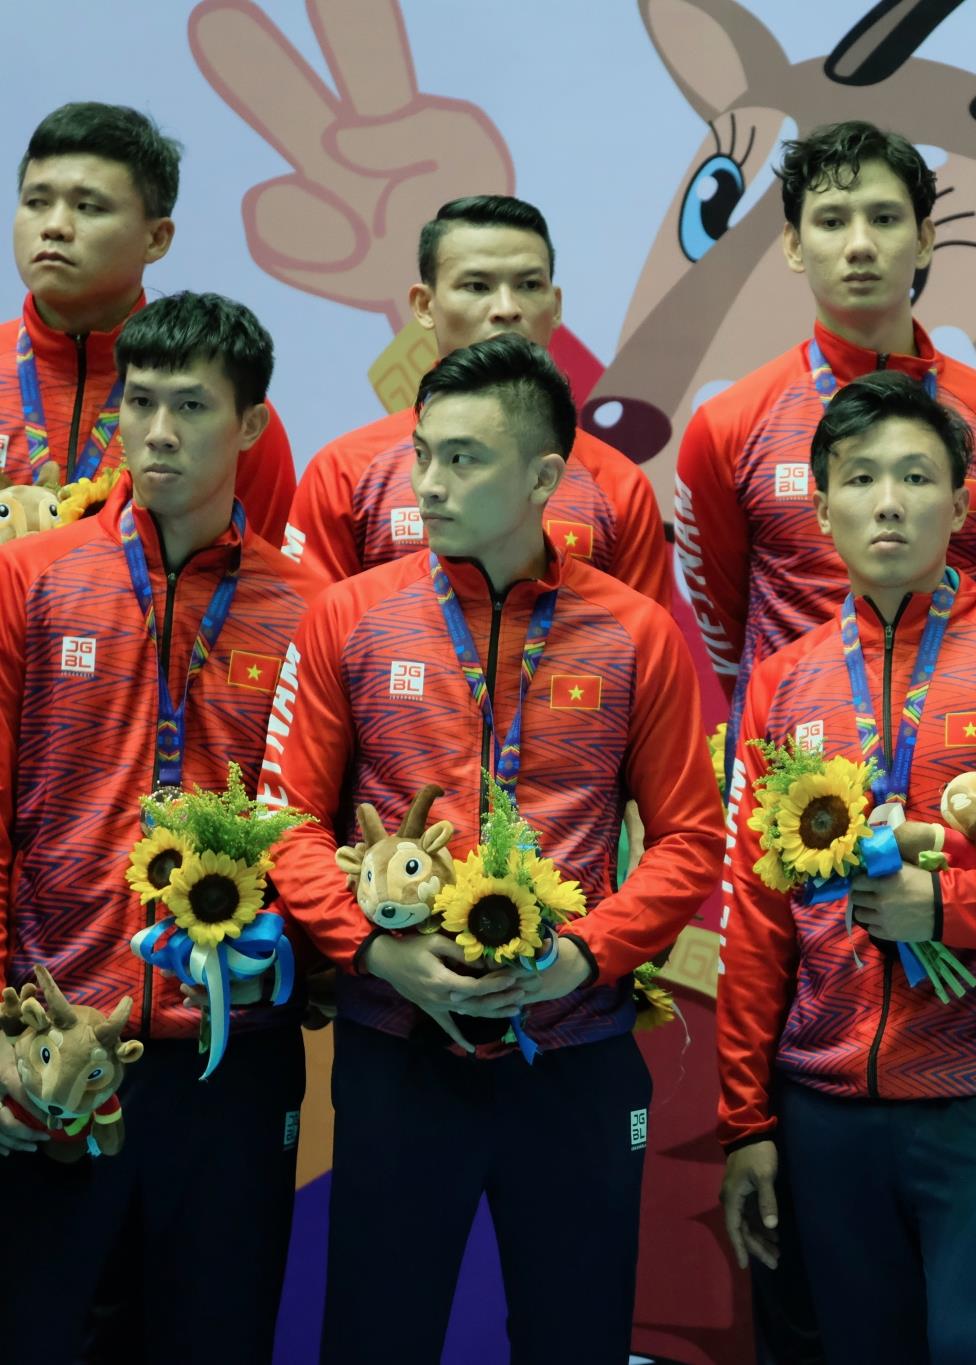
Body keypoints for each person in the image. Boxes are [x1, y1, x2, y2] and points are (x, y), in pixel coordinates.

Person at [263, 334, 723, 1362]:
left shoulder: (636, 633)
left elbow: (691, 840)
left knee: (577, 1337)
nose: (428, 481)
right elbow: (287, 821)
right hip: (397, 1049)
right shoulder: (349, 617)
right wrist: (373, 951)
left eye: (463, 458)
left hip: (577, 1055)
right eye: (422, 453)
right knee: (375, 1336)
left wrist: (586, 956)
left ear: (543, 477)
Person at [716, 370, 976, 1365]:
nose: (889, 501)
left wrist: (947, 907)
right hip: (824, 1105)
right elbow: (755, 911)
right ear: (819, 507)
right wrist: (744, 1118)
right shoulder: (783, 682)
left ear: (960, 503)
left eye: (916, 477)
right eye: (860, 478)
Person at [0, 291, 316, 1362]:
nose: (161, 432)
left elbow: (312, 832)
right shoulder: (32, 580)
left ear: (254, 428)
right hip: (53, 1038)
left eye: (193, 405)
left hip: (231, 1057)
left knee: (211, 1339)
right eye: (140, 403)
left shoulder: (313, 610)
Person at [674, 119, 976, 716]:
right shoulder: (727, 427)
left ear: (926, 238)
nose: (859, 244)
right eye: (831, 221)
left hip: (966, 752)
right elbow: (725, 630)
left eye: (884, 218)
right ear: (794, 245)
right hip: (789, 771)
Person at [284, 194, 669, 601]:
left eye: (529, 285)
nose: (506, 308)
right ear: (424, 304)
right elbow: (308, 640)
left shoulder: (619, 487)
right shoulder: (346, 471)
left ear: (555, 307)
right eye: (477, 286)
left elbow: (640, 648)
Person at [6, 102, 296, 540]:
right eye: (36, 202)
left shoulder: (221, 403)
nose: (55, 226)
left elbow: (257, 585)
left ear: (157, 238)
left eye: (88, 207)